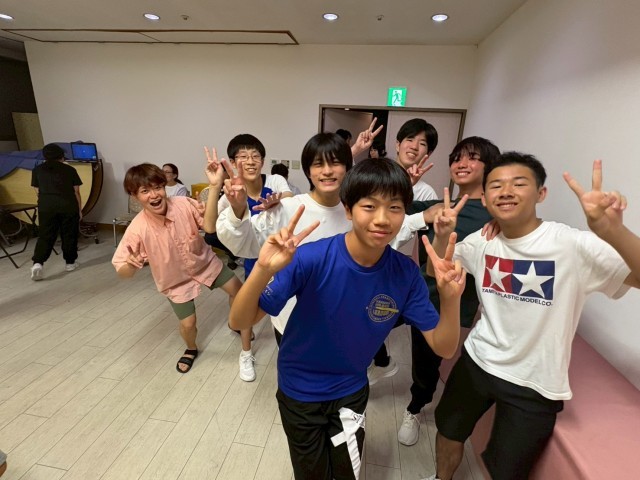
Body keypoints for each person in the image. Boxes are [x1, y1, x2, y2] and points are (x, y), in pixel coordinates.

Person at [229, 158, 466, 480]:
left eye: (394, 208)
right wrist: (262, 269)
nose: (382, 219)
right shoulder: (312, 257)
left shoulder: (405, 273)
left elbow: (444, 347)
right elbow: (240, 320)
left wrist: (451, 299)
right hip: (299, 390)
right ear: (348, 209)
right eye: (369, 206)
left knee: (346, 474)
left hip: (351, 391)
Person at [424, 154, 640, 480]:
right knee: (448, 431)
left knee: (507, 471)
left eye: (519, 183)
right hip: (478, 359)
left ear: (541, 193)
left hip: (536, 382)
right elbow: (436, 268)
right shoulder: (483, 241)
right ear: (486, 198)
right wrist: (442, 235)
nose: (506, 191)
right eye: (496, 185)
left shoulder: (572, 245)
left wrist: (613, 231)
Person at [216, 133, 419, 345]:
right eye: (318, 164)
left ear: (347, 168)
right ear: (308, 171)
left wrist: (426, 215)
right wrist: (238, 208)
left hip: (345, 319)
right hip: (292, 321)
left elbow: (389, 234)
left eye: (336, 163)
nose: (327, 171)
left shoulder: (360, 211)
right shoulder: (287, 208)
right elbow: (244, 244)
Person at [397, 137, 500, 446]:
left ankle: (415, 408)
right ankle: (379, 363)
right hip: (413, 291)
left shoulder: (496, 216)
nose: (461, 163)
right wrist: (406, 183)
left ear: (489, 167)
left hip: (446, 304)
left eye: (472, 157)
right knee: (366, 323)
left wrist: (501, 219)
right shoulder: (438, 206)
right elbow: (393, 210)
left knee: (426, 365)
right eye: (456, 158)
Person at [111, 162, 247, 379]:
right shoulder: (137, 229)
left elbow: (209, 227)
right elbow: (121, 270)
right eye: (145, 191)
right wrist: (131, 265)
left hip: (205, 263)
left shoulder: (183, 204)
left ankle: (235, 322)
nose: (154, 195)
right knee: (188, 324)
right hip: (175, 280)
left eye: (158, 187)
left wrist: (214, 188)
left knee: (239, 292)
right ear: (134, 196)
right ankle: (191, 348)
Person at [30, 143, 83, 280]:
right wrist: (79, 210)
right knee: (69, 234)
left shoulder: (37, 170)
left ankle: (38, 263)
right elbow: (76, 192)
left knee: (45, 235)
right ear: (61, 155)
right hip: (67, 205)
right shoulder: (69, 170)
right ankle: (70, 263)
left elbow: (37, 190)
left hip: (46, 206)